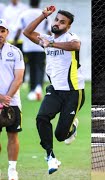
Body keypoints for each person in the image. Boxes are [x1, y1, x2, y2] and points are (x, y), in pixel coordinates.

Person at [23, 6, 85, 174]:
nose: (57, 23)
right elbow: (27, 32)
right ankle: (51, 156)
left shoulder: (70, 37)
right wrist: (43, 15)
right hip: (55, 91)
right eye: (56, 20)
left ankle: (72, 127)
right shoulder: (47, 39)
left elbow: (76, 45)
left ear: (68, 26)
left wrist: (51, 43)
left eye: (62, 22)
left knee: (60, 136)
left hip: (74, 92)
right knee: (41, 118)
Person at [0, 19, 25, 180]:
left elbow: (19, 78)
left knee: (13, 134)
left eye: (2, 31)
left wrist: (6, 98)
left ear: (7, 32)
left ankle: (12, 170)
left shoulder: (15, 51)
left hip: (12, 102)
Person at [14, 0, 51, 101]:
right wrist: (51, 42)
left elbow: (18, 29)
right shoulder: (44, 14)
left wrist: (15, 42)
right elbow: (49, 30)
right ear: (39, 3)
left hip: (27, 46)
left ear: (30, 3)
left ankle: (31, 91)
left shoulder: (24, 14)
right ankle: (38, 87)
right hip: (41, 45)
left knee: (30, 67)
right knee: (40, 67)